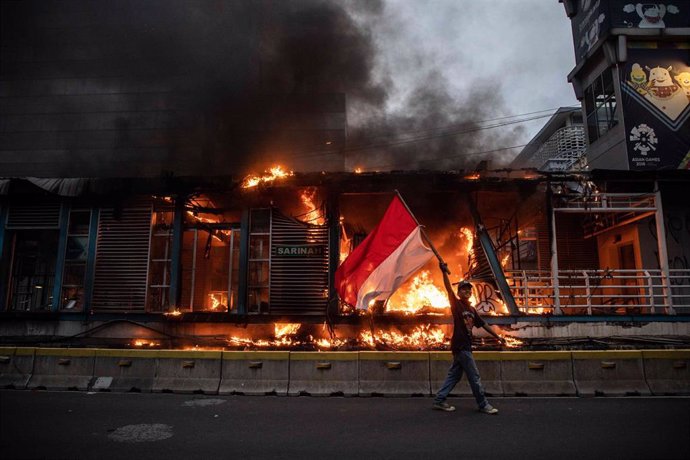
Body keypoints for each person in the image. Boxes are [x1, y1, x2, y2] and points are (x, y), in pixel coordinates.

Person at [432, 262, 505, 414]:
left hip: (463, 347)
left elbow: (483, 324)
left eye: (468, 289)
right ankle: (483, 404)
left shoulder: (471, 309)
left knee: (455, 375)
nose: (467, 291)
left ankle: (440, 399)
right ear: (459, 293)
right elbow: (448, 289)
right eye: (463, 289)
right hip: (461, 346)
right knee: (475, 376)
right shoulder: (457, 305)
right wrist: (444, 272)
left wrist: (497, 336)